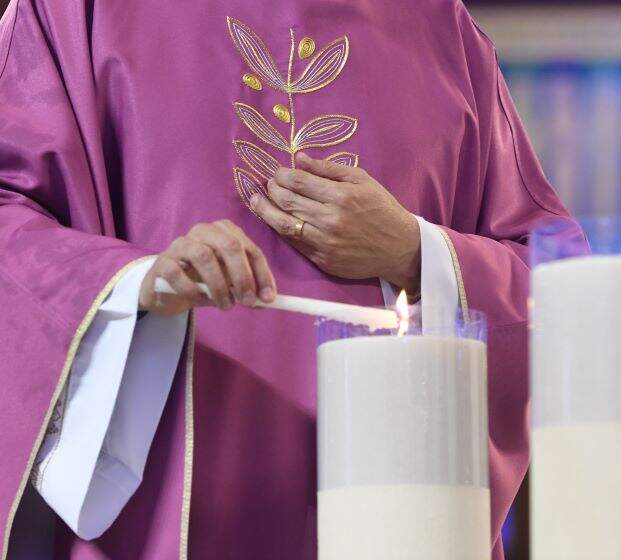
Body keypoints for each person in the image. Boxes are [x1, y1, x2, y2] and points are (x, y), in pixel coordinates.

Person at [0, 0, 582, 557]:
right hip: (161, 510)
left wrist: (413, 250)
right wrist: (136, 284)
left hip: (396, 509)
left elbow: (560, 291)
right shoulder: (79, 12)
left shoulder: (439, 25)